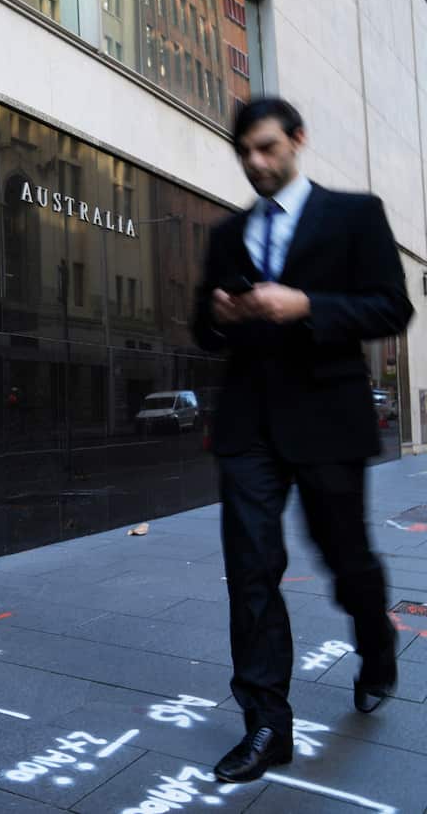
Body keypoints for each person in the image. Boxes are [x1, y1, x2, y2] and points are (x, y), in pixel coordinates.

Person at [192, 98, 413, 783]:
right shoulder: (228, 233)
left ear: (297, 140)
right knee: (252, 569)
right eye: (245, 153)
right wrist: (221, 315)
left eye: (266, 148)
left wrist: (309, 305)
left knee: (346, 558)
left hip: (327, 419)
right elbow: (204, 328)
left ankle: (376, 642)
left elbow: (391, 307)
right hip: (249, 427)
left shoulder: (355, 214)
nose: (256, 163)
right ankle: (266, 725)